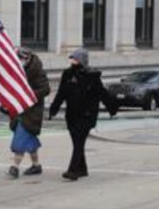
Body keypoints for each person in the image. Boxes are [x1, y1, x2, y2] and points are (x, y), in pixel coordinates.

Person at [49, 48, 118, 181]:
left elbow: (102, 93)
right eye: (72, 59)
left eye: (75, 59)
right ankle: (83, 168)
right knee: (77, 143)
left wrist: (112, 108)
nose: (72, 61)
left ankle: (73, 170)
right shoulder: (67, 74)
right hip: (72, 114)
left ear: (82, 60)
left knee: (79, 143)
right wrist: (54, 109)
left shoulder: (92, 76)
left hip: (87, 114)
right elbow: (61, 93)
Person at [6, 47, 51, 179]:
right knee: (29, 141)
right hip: (19, 111)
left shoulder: (37, 72)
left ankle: (14, 167)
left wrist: (28, 96)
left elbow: (46, 89)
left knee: (20, 140)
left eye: (20, 59)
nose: (18, 61)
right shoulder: (17, 71)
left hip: (32, 112)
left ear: (27, 58)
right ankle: (36, 165)